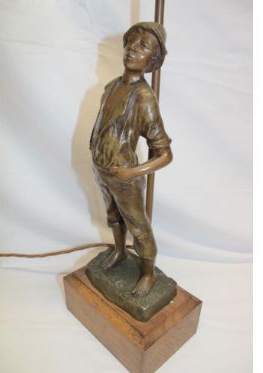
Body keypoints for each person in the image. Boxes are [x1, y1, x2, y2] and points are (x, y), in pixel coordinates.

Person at [89, 22, 173, 296]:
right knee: (113, 216)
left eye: (143, 47)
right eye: (131, 42)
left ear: (153, 61)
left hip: (125, 175)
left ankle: (147, 273)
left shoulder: (144, 98)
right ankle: (119, 251)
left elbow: (164, 154)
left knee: (139, 226)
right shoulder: (111, 86)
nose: (132, 49)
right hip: (101, 168)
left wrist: (134, 172)